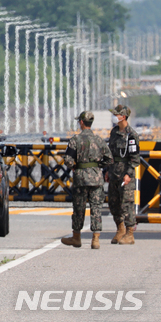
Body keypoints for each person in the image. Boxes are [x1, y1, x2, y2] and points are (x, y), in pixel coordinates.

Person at [61, 111, 113, 249]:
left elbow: (68, 159)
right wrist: (97, 166)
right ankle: (95, 239)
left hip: (81, 179)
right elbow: (109, 159)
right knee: (96, 208)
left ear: (81, 122)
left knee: (79, 208)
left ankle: (76, 237)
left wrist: (75, 167)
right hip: (96, 178)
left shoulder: (75, 140)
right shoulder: (99, 140)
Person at [106, 104, 140, 245]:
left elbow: (135, 159)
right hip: (114, 173)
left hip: (125, 174)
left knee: (127, 204)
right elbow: (110, 153)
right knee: (113, 203)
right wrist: (107, 170)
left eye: (116, 114)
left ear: (123, 116)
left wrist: (128, 174)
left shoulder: (131, 135)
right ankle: (120, 229)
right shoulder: (114, 132)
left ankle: (129, 233)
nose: (114, 116)